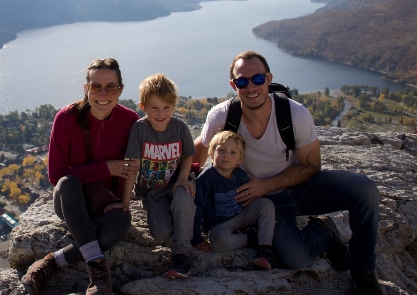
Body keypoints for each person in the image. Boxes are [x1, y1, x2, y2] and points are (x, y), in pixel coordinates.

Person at [193, 51, 381, 294]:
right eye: (242, 81)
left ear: (269, 78)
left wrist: (265, 184)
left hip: (298, 187)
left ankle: (364, 274)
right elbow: (200, 149)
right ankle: (324, 230)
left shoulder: (294, 114)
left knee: (364, 190)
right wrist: (184, 181)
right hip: (261, 203)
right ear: (234, 85)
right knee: (297, 258)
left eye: (258, 79)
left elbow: (312, 167)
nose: (251, 87)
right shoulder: (223, 116)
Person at [22, 58, 140, 295]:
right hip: (71, 202)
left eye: (111, 87)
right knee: (67, 182)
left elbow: (158, 153)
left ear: (120, 90)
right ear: (86, 89)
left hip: (107, 205)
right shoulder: (66, 119)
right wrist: (107, 168)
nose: (103, 93)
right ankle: (98, 271)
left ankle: (52, 262)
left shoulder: (131, 121)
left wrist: (191, 171)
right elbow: (56, 175)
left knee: (121, 222)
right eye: (96, 86)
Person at [123, 74, 196, 279]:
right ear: (143, 106)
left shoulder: (179, 127)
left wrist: (183, 178)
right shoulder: (140, 129)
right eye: (154, 107)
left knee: (183, 200)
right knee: (161, 234)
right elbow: (133, 166)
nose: (161, 113)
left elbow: (188, 154)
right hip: (153, 191)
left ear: (173, 105)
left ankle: (182, 255)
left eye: (166, 107)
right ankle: (186, 225)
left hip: (176, 181)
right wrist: (125, 202)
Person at [191, 130, 276, 269]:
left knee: (266, 204)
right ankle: (251, 238)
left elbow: (250, 196)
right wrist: (196, 237)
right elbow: (197, 208)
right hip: (219, 225)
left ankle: (265, 248)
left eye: (233, 153)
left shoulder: (240, 175)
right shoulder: (207, 178)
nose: (226, 155)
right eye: (221, 150)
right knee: (219, 241)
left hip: (240, 217)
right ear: (211, 154)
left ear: (240, 160)